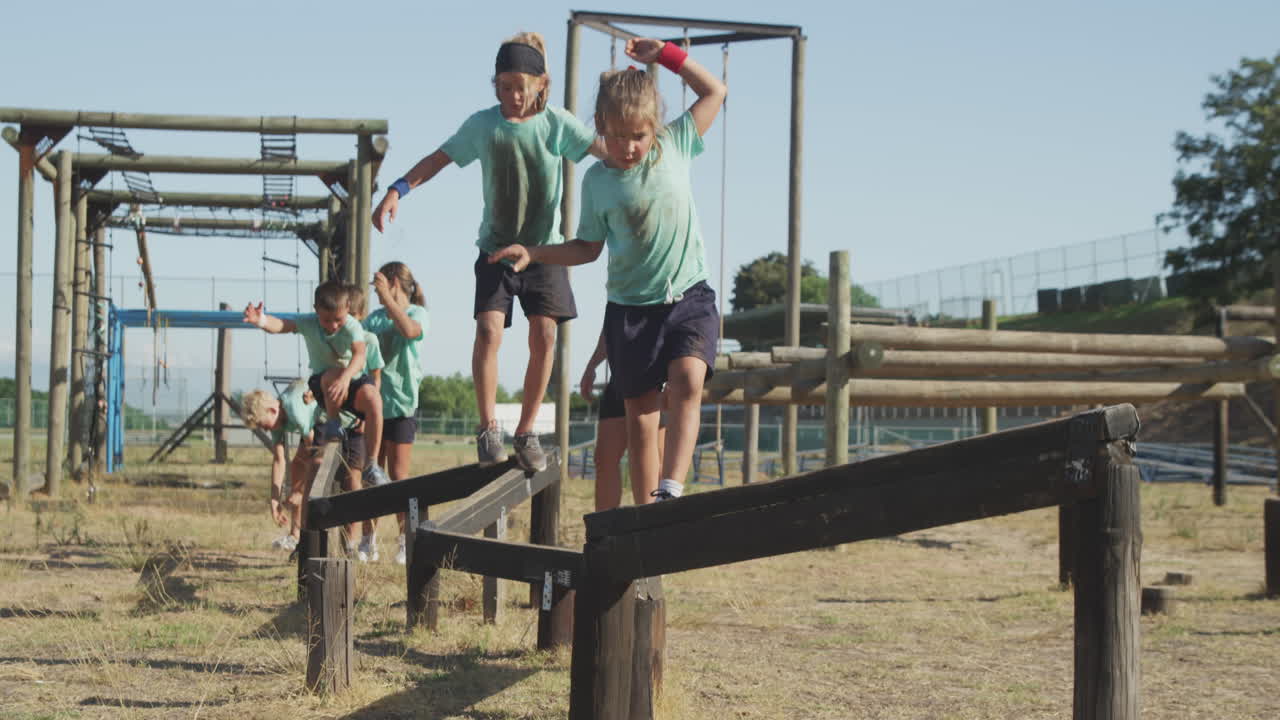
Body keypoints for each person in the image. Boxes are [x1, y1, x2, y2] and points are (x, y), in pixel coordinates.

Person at [491, 37, 726, 503]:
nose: (628, 148)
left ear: (654, 128)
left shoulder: (676, 144)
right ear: (600, 127)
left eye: (638, 137)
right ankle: (646, 518)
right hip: (631, 312)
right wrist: (536, 253)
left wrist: (666, 57)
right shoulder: (598, 180)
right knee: (639, 422)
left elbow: (715, 92)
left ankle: (671, 488)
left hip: (687, 297)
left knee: (688, 379)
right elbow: (588, 248)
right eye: (616, 138)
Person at [371, 31, 605, 472]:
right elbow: (438, 159)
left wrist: (641, 159)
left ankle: (527, 430)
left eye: (522, 87)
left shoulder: (556, 123)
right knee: (489, 333)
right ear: (495, 85)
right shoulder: (483, 125)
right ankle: (487, 427)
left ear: (540, 84)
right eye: (505, 87)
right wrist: (398, 189)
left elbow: (603, 150)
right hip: (495, 251)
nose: (514, 96)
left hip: (542, 253)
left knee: (546, 336)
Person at [243, 280, 390, 489]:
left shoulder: (352, 325)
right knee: (332, 374)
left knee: (375, 399)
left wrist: (347, 378)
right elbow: (284, 325)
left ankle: (372, 465)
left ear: (347, 309)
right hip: (322, 385)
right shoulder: (309, 322)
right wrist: (262, 320)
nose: (332, 326)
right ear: (316, 311)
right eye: (326, 320)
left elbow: (360, 354)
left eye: (338, 319)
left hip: (350, 381)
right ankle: (333, 424)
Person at [241, 382, 366, 555]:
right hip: (317, 426)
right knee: (297, 466)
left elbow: (312, 452)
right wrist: (275, 500)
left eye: (263, 425)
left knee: (334, 480)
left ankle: (339, 543)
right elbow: (279, 460)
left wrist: (299, 491)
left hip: (341, 424)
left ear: (271, 410)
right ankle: (298, 535)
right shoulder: (278, 420)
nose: (265, 429)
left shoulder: (294, 409)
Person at [363, 261, 429, 564]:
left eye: (380, 284)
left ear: (393, 283)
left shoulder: (417, 313)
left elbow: (410, 331)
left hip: (401, 405)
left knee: (399, 476)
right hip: (374, 406)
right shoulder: (374, 319)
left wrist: (388, 299)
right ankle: (368, 540)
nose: (376, 291)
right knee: (370, 476)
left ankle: (405, 541)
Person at [579, 324, 665, 511]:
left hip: (657, 373)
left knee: (657, 461)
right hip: (621, 374)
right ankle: (605, 530)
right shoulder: (617, 295)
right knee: (604, 458)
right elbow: (611, 325)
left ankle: (654, 526)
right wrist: (592, 365)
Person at [346, 282, 387, 562]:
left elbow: (375, 378)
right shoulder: (333, 336)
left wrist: (365, 416)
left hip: (358, 416)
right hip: (338, 414)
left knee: (355, 479)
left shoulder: (368, 340)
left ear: (358, 314)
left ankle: (358, 540)